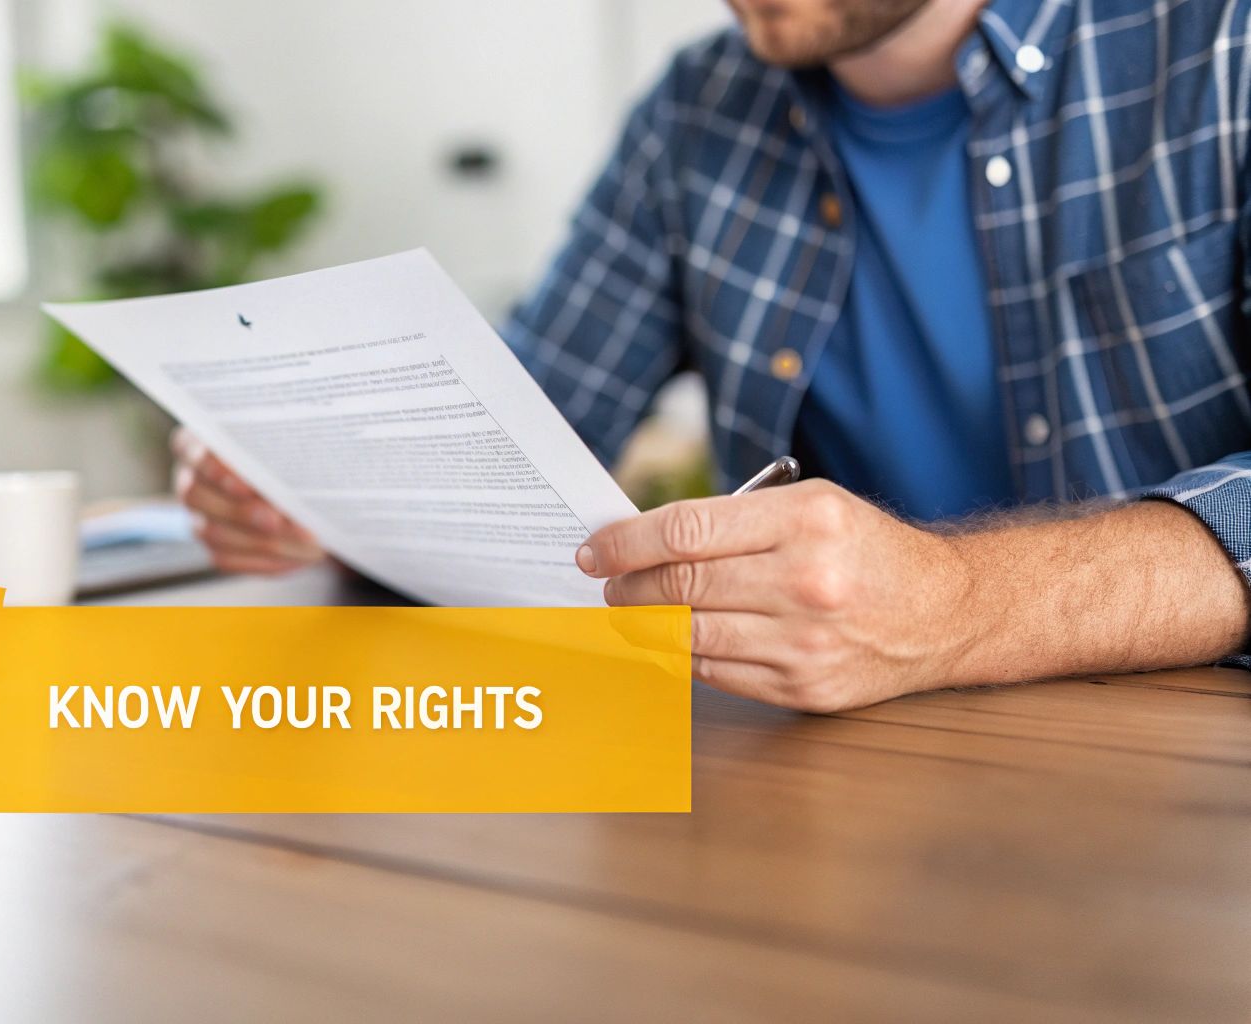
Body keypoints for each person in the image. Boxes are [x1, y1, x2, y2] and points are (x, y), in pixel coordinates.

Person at [173, 0, 1251, 712]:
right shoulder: (697, 112)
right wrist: (334, 493)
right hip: (838, 775)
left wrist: (958, 602)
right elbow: (521, 441)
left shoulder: (1220, 45)